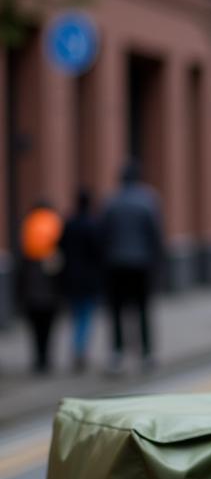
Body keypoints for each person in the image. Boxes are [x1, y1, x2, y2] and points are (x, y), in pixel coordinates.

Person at [99, 158, 164, 373]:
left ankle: (117, 353)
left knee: (117, 310)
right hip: (142, 263)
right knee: (143, 308)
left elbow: (103, 234)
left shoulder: (111, 201)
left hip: (115, 263)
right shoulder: (148, 199)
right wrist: (157, 260)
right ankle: (146, 353)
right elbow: (155, 233)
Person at [15, 200, 64, 374]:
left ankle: (38, 359)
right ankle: (46, 359)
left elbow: (20, 256)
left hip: (31, 285)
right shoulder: (54, 222)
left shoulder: (29, 223)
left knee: (35, 327)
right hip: (50, 288)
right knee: (48, 326)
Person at [60, 186, 103, 372]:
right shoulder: (92, 225)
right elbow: (99, 253)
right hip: (88, 280)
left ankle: (77, 348)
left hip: (71, 278)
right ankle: (80, 350)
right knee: (85, 316)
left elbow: (60, 248)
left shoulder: (69, 224)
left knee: (76, 315)